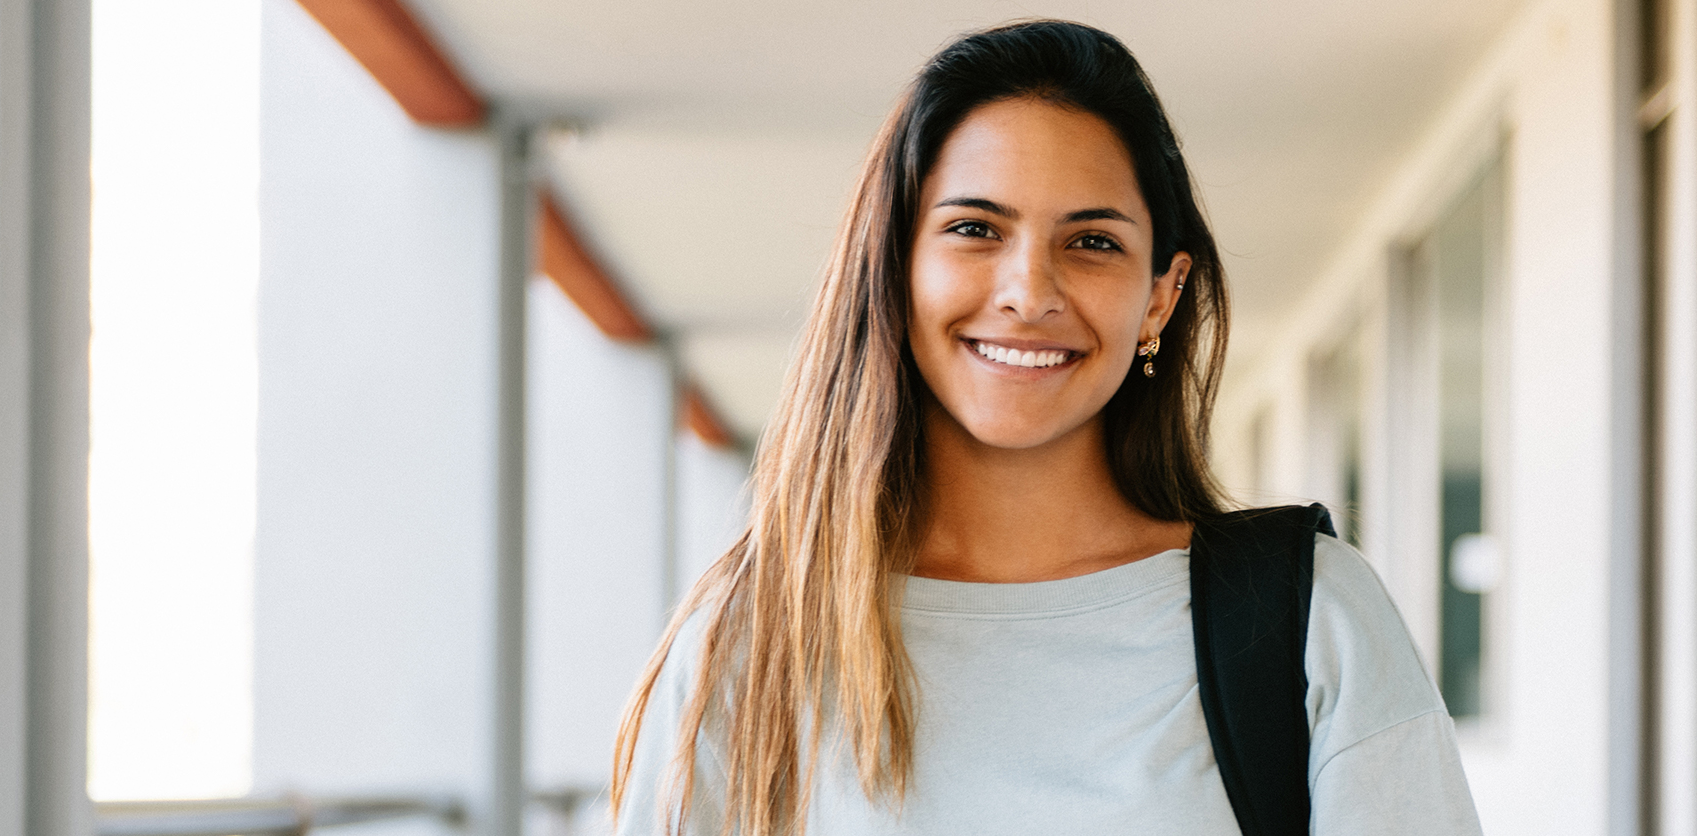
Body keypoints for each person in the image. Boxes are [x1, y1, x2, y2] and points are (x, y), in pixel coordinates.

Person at [610, 19, 1481, 836]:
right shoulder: (753, 641)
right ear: (894, 267)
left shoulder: (1309, 620)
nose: (1029, 292)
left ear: (1162, 296)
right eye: (974, 229)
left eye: (1092, 242)